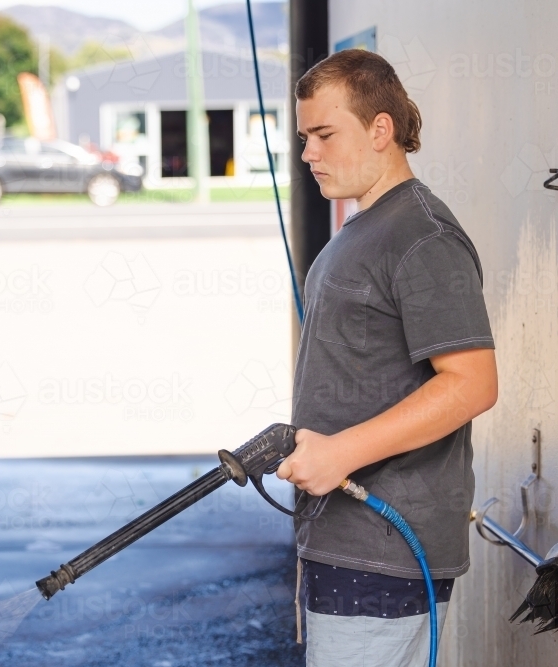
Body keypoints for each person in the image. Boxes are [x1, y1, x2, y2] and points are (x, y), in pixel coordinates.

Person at [275, 49, 498, 666]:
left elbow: (472, 383)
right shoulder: (362, 228)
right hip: (341, 536)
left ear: (380, 128)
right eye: (303, 137)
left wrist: (340, 452)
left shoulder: (422, 237)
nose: (308, 154)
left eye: (324, 134)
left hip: (388, 550)